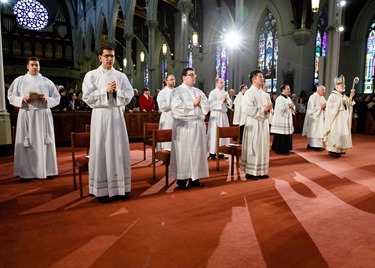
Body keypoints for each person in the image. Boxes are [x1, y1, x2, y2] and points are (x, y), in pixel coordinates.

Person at [82, 45, 134, 203]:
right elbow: (87, 97)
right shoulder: (91, 75)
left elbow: (129, 94)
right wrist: (104, 90)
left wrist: (117, 92)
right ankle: (103, 190)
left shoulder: (121, 76)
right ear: (100, 57)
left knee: (119, 150)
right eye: (106, 56)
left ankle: (121, 188)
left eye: (112, 56)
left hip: (116, 116)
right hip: (101, 116)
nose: (110, 59)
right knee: (102, 150)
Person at [7, 57, 60, 182]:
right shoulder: (20, 81)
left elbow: (56, 97)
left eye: (37, 65)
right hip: (27, 114)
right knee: (27, 144)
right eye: (32, 65)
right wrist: (22, 99)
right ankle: (26, 173)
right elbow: (11, 96)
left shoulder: (47, 81)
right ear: (27, 66)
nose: (35, 67)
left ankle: (47, 170)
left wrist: (47, 100)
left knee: (45, 143)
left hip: (43, 115)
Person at [170, 67, 210, 190]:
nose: (193, 77)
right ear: (183, 77)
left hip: (197, 126)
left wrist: (199, 105)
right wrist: (192, 104)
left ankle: (195, 178)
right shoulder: (176, 91)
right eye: (191, 75)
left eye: (194, 75)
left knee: (197, 152)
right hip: (184, 127)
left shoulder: (198, 91)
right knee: (184, 153)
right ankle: (182, 180)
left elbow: (206, 106)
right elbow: (176, 107)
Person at [240, 70, 273, 180]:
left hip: (263, 124)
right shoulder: (249, 93)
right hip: (254, 123)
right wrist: (263, 109)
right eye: (260, 77)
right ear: (253, 79)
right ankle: (251, 172)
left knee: (263, 146)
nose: (263, 78)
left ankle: (262, 171)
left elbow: (268, 110)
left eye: (263, 77)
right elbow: (246, 108)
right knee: (254, 146)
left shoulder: (265, 94)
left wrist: (268, 110)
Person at [323, 75, 355, 158]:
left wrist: (350, 97)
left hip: (343, 119)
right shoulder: (332, 96)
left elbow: (349, 104)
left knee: (342, 134)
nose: (344, 86)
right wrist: (340, 102)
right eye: (342, 85)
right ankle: (333, 150)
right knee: (336, 134)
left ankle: (340, 150)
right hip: (336, 120)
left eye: (344, 85)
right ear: (336, 87)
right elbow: (329, 107)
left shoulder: (343, 96)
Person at [207, 77, 233, 160]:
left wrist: (226, 102)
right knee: (214, 133)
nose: (223, 84)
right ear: (216, 83)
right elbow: (211, 104)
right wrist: (221, 101)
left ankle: (221, 152)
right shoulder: (212, 93)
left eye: (223, 82)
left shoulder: (225, 93)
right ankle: (212, 152)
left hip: (224, 115)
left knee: (223, 134)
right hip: (216, 115)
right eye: (221, 82)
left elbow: (230, 103)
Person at [270, 84, 295, 155]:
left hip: (287, 120)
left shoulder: (288, 98)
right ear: (283, 90)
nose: (289, 90)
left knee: (287, 134)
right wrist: (288, 106)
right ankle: (281, 150)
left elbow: (293, 106)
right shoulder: (279, 99)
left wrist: (292, 107)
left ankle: (287, 149)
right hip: (281, 120)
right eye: (288, 88)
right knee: (281, 135)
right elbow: (280, 109)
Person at [302, 85, 326, 151]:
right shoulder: (312, 97)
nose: (324, 92)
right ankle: (313, 145)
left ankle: (318, 145)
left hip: (320, 118)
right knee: (315, 130)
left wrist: (324, 108)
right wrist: (320, 108)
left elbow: (325, 105)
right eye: (323, 90)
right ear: (318, 90)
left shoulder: (322, 97)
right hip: (314, 118)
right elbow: (310, 109)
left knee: (320, 130)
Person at [157, 74, 176, 150]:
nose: (173, 81)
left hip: (177, 117)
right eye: (171, 79)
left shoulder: (177, 91)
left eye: (174, 79)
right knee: (167, 136)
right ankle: (166, 153)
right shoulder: (162, 92)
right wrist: (174, 105)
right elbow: (162, 106)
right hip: (167, 117)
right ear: (166, 81)